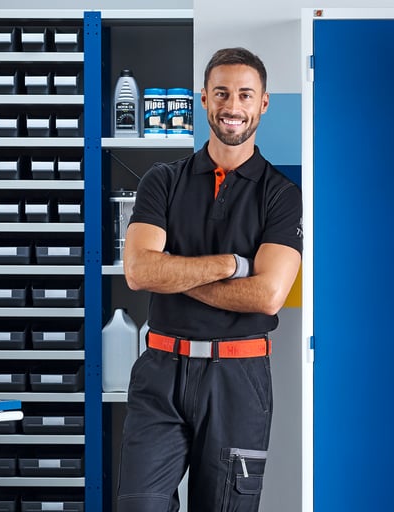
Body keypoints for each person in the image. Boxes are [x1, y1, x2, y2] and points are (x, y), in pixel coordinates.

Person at [117, 47, 302, 512]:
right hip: (160, 371)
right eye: (221, 93)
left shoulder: (280, 196)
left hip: (238, 381)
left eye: (244, 94)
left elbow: (267, 295)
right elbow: (139, 271)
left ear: (263, 103)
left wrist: (173, 271)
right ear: (203, 99)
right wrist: (228, 265)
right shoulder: (162, 180)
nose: (232, 106)